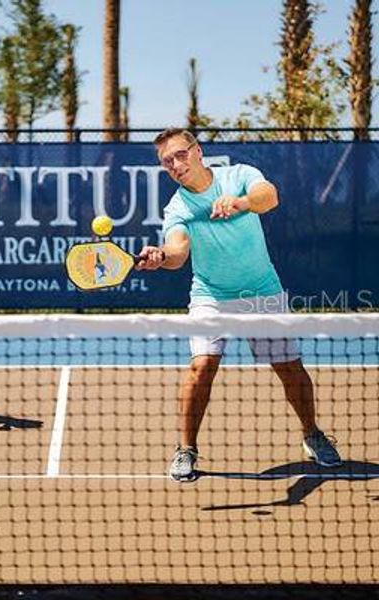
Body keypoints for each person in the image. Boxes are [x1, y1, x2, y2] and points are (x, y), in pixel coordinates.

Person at [136, 127, 341, 482]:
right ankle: (186, 449)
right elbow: (178, 251)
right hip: (211, 297)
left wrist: (240, 202)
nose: (175, 164)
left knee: (289, 367)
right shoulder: (177, 207)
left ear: (197, 151)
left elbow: (269, 196)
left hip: (262, 291)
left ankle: (312, 434)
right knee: (201, 368)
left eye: (180, 155)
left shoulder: (239, 175)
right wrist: (160, 257)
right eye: (166, 161)